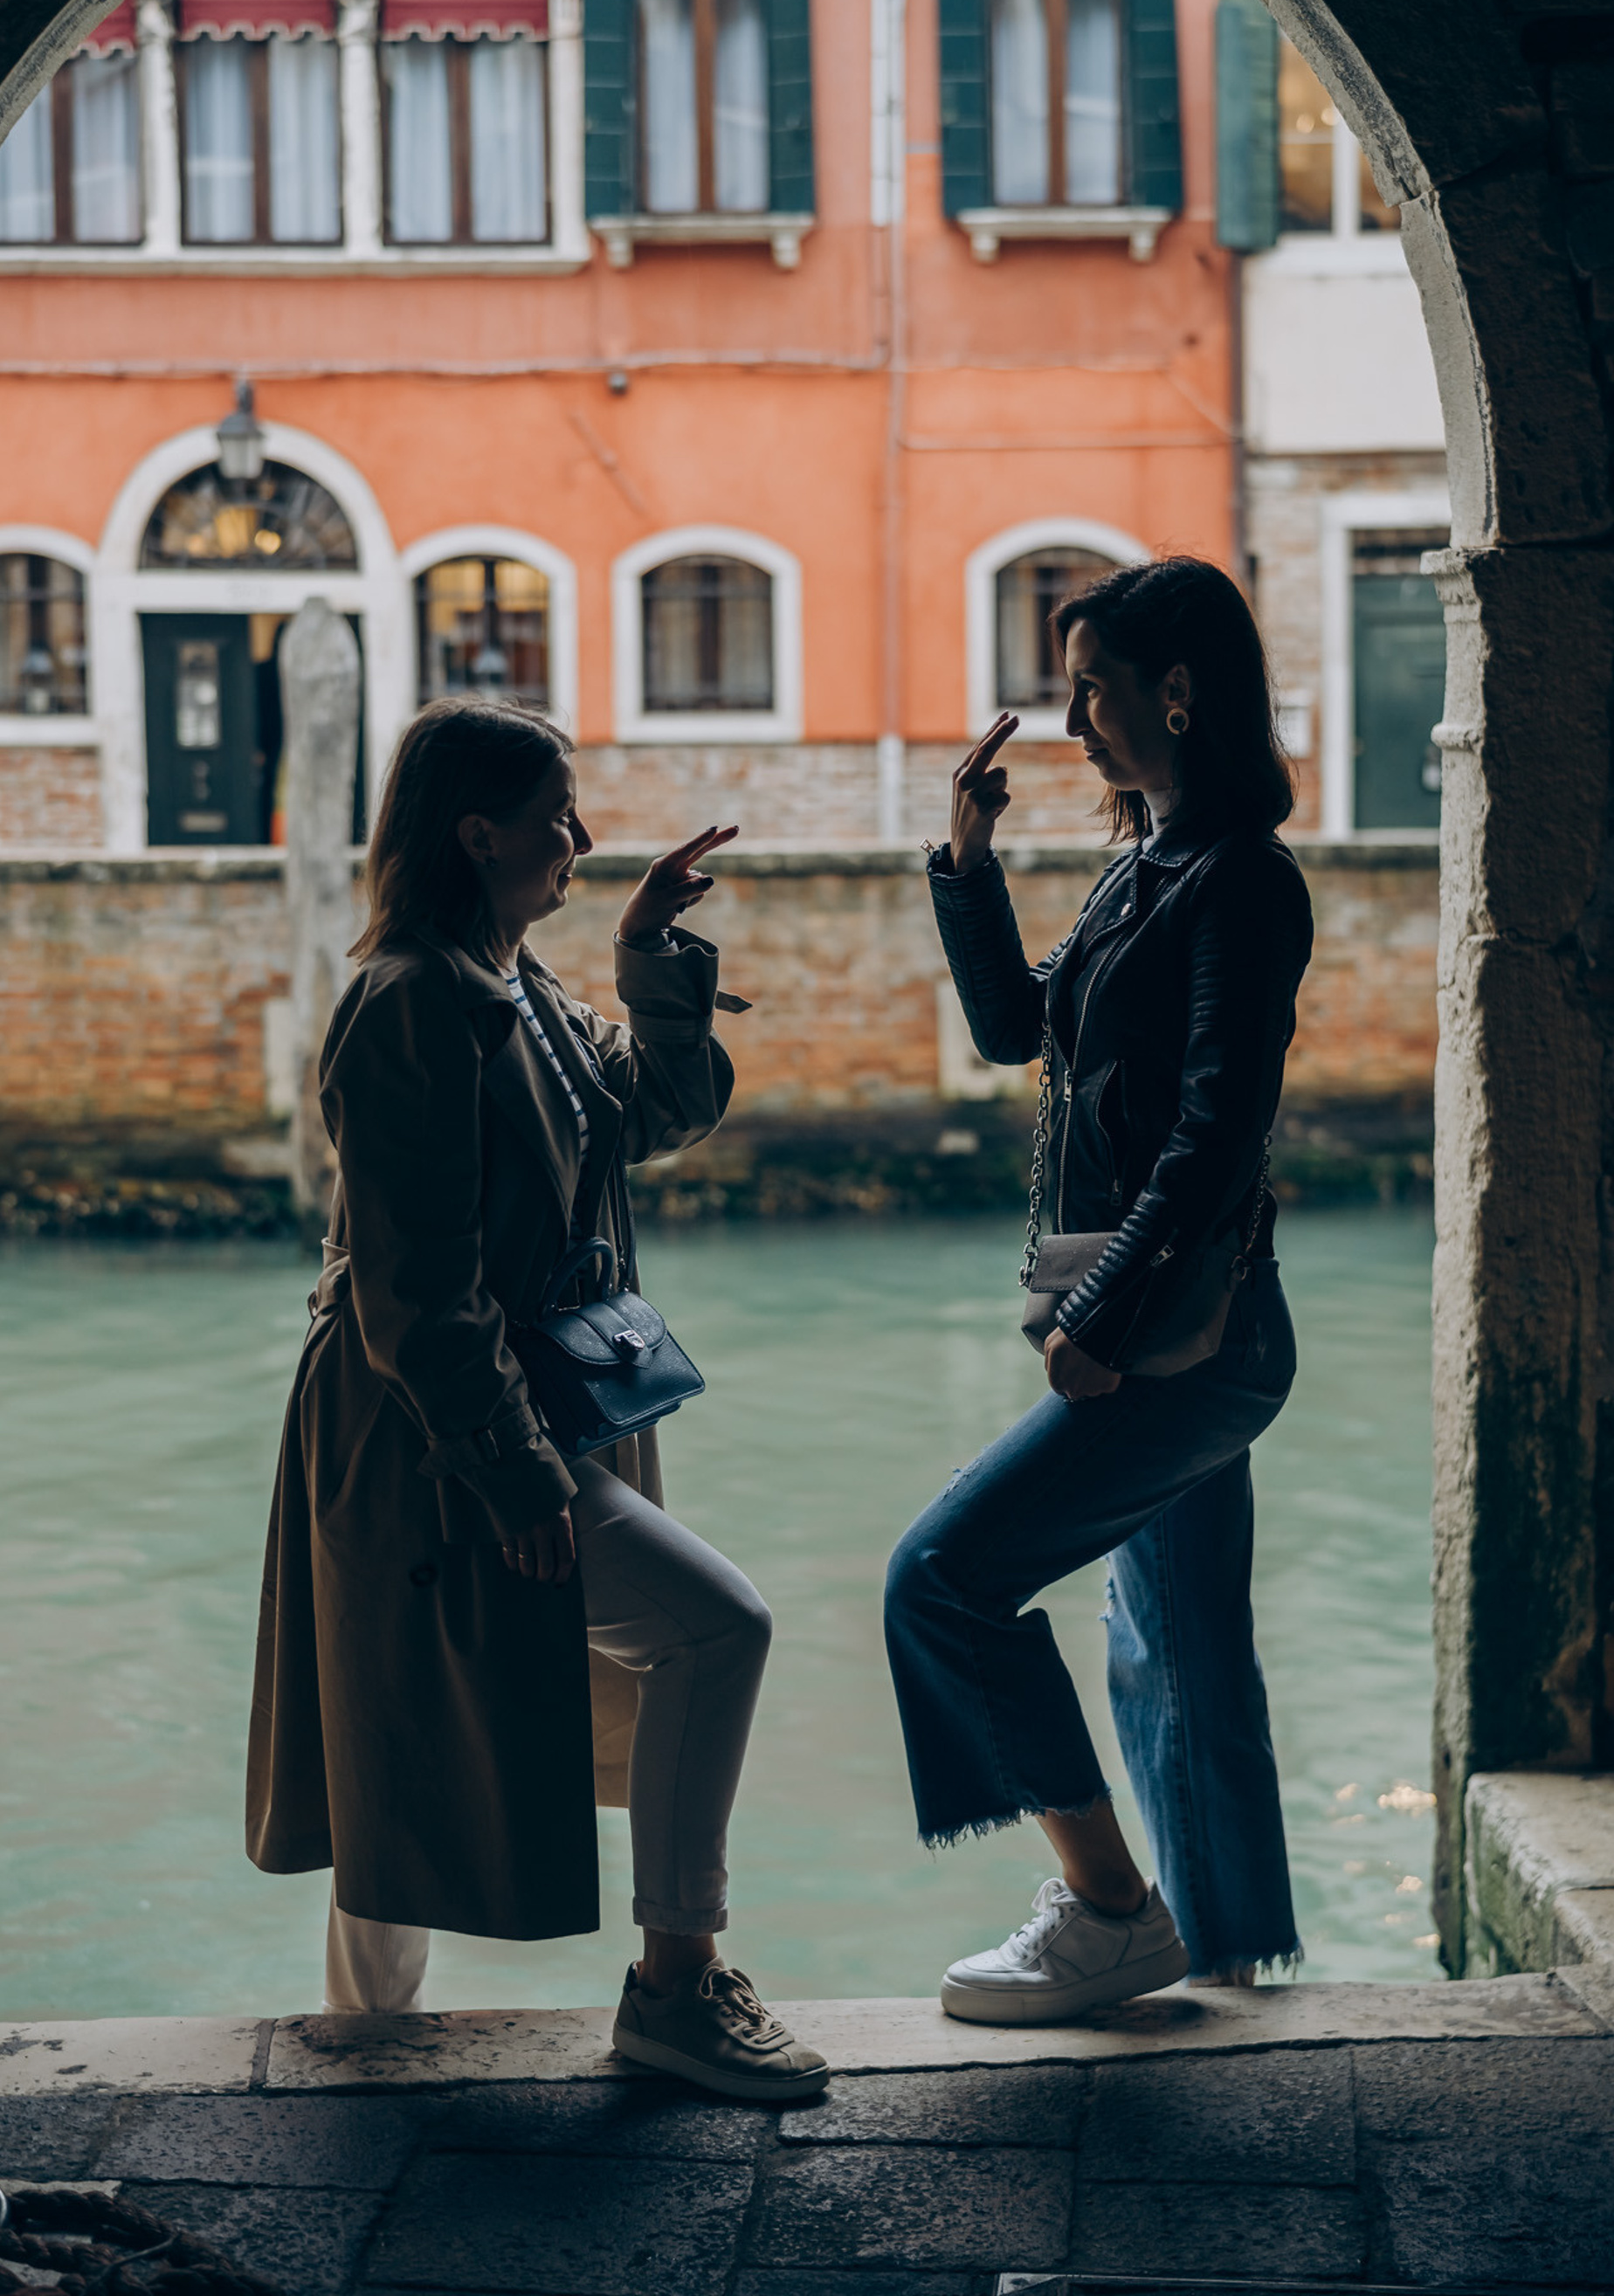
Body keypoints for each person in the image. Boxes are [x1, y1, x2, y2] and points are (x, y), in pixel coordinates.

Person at [245, 696, 828, 2102]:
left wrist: (644, 955)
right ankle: (673, 1989)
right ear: (478, 831)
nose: (579, 838)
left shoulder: (518, 983)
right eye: (558, 815)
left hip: (511, 1407)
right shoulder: (410, 1002)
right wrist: (515, 1477)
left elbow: (660, 1117)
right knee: (702, 1634)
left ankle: (370, 2052)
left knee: (404, 1720)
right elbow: (416, 1289)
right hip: (426, 1430)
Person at [884, 556, 1314, 2023]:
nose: (1072, 719)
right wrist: (967, 859)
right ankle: (1233, 1965)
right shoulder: (1153, 865)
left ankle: (1108, 1910)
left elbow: (1214, 1139)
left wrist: (1098, 1322)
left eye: (1093, 687)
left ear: (1176, 694)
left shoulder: (1244, 883)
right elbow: (1018, 1029)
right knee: (1179, 1654)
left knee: (941, 1580)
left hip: (1189, 1340)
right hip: (1156, 1326)